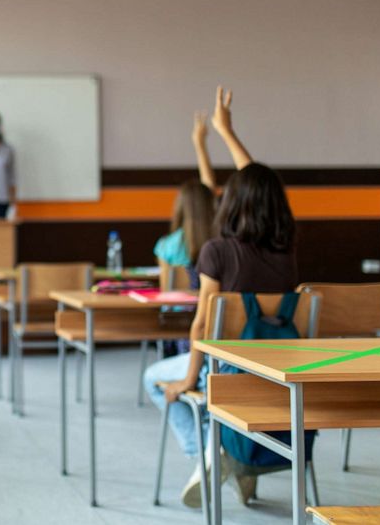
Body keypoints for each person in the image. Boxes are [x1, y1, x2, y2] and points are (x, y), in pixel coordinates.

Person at [144, 87, 298, 508]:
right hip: (275, 368)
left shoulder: (217, 250)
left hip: (226, 368)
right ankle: (230, 462)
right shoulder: (285, 253)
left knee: (154, 378)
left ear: (229, 203)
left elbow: (201, 325)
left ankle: (209, 457)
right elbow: (260, 186)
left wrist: (190, 378)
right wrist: (226, 133)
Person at [153, 113, 217, 291]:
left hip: (176, 316)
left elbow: (166, 292)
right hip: (213, 316)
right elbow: (209, 190)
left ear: (180, 207)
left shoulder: (166, 246)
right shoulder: (219, 241)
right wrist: (200, 144)